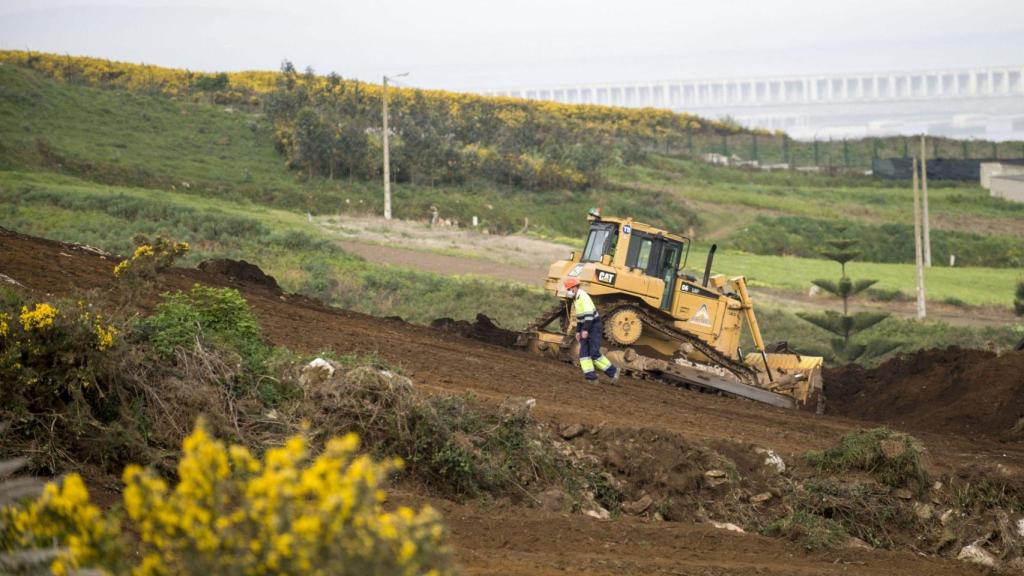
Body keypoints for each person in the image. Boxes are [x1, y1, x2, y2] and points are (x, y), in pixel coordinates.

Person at [563, 277, 619, 382]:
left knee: (593, 352)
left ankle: (613, 372)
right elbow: (580, 318)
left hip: (593, 326)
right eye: (568, 289)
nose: (569, 291)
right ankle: (591, 377)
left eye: (569, 289)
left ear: (575, 287)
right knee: (583, 354)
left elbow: (589, 316)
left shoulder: (583, 297)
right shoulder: (577, 299)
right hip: (586, 326)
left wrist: (585, 330)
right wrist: (578, 332)